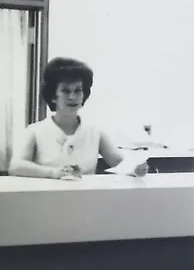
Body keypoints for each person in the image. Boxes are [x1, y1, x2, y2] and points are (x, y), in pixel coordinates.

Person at [8, 57, 148, 179]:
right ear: (53, 96)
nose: (72, 97)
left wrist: (135, 168)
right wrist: (53, 173)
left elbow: (119, 162)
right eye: (65, 91)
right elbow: (16, 166)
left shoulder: (95, 132)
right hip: (46, 203)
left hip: (85, 203)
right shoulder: (35, 131)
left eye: (77, 90)